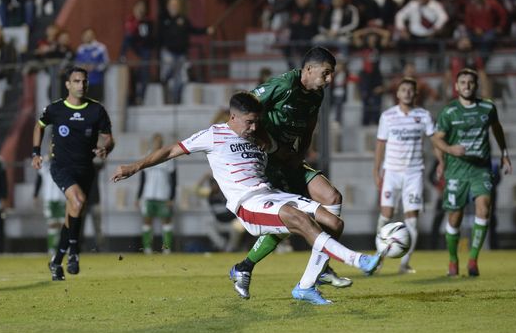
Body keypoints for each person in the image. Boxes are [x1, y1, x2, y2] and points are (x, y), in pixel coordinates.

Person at [111, 92, 382, 305]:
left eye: (256, 121)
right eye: (249, 121)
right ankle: (358, 260)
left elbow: (283, 157)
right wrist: (134, 167)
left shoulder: (259, 136)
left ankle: (305, 287)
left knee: (334, 223)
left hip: (273, 194)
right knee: (297, 219)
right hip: (248, 203)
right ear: (232, 117)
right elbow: (171, 150)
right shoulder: (213, 135)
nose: (253, 127)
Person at [229, 47, 353, 296]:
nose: (329, 80)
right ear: (308, 69)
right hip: (270, 162)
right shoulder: (283, 85)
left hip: (290, 158)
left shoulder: (315, 95)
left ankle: (322, 264)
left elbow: (309, 128)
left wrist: (301, 154)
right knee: (290, 222)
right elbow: (244, 111)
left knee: (333, 198)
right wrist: (268, 144)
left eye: (331, 75)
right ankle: (244, 267)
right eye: (326, 73)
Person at [31, 66, 114, 281]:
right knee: (77, 202)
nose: (81, 85)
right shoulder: (56, 109)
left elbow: (108, 138)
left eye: (84, 81)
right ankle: (75, 252)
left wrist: (106, 148)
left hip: (86, 169)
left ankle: (56, 261)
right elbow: (39, 126)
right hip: (61, 167)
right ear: (68, 84)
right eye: (76, 81)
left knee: (73, 213)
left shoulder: (96, 110)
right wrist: (35, 153)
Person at [431, 68, 512, 277]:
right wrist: (449, 151)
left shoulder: (487, 107)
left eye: (470, 82)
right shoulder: (449, 112)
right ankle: (452, 260)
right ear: (456, 87)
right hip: (457, 170)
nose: (467, 85)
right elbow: (436, 138)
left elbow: (497, 128)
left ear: (476, 86)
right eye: (463, 82)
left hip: (480, 169)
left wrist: (504, 153)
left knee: (484, 209)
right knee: (454, 218)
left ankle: (474, 259)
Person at [372, 77, 435, 274]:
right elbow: (381, 144)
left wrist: (441, 162)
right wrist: (376, 170)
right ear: (397, 94)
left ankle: (404, 263)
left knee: (412, 220)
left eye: (410, 90)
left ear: (415, 94)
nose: (407, 92)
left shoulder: (423, 116)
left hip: (414, 174)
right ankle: (379, 258)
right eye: (403, 89)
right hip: (391, 171)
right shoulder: (388, 116)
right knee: (386, 215)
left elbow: (434, 140)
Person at [157, 0, 214, 104]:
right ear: (168, 7)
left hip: (181, 54)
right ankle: (166, 93)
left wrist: (206, 30)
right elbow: (158, 37)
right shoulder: (163, 20)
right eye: (172, 5)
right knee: (166, 76)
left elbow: (193, 30)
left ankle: (176, 99)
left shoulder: (183, 19)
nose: (174, 7)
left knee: (181, 79)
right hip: (168, 53)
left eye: (176, 5)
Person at [136, 133, 177, 254]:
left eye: (159, 141)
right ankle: (147, 248)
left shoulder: (169, 157)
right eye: (155, 141)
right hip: (148, 195)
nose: (157, 144)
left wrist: (172, 197)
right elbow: (142, 179)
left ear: (162, 143)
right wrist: (138, 196)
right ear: (152, 142)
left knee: (166, 221)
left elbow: (174, 179)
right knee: (147, 221)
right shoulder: (146, 156)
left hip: (163, 195)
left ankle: (167, 249)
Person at [195, 173, 246, 252]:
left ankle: (231, 248)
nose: (214, 186)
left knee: (239, 226)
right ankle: (223, 246)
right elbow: (196, 190)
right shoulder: (209, 193)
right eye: (212, 184)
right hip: (219, 222)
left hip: (231, 222)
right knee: (208, 225)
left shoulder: (225, 192)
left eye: (215, 184)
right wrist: (204, 177)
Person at [119, 0, 154, 105]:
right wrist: (137, 21)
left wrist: (141, 22)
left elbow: (148, 36)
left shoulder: (147, 21)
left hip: (144, 48)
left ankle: (140, 97)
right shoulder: (131, 20)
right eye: (138, 8)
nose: (140, 10)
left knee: (144, 72)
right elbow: (129, 34)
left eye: (142, 8)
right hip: (133, 48)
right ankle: (122, 56)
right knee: (131, 75)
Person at [33, 156, 65, 255]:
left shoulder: (64, 159)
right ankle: (52, 248)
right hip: (49, 198)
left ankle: (63, 247)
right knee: (52, 224)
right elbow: (39, 178)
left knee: (63, 223)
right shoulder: (45, 163)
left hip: (62, 196)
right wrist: (35, 195)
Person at [75, 28, 110, 102]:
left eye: (89, 35)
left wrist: (95, 67)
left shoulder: (101, 48)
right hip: (83, 83)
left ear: (93, 35)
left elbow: (106, 63)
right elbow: (76, 64)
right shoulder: (80, 49)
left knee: (96, 104)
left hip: (96, 81)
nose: (88, 37)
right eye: (86, 35)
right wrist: (82, 68)